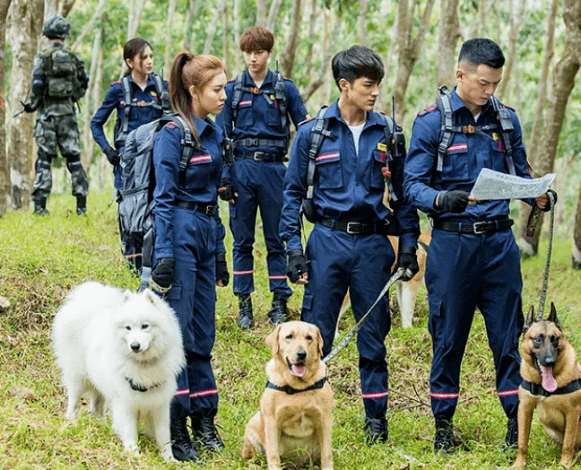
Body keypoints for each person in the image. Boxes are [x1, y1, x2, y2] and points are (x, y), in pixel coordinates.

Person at [404, 38, 557, 454]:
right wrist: (441, 199)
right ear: (461, 75)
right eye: (484, 83)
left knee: (507, 338)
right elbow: (411, 185)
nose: (490, 91)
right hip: (452, 245)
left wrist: (538, 196)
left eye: (496, 83)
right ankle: (443, 427)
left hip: (499, 245)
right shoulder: (432, 122)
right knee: (448, 337)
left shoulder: (506, 121)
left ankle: (514, 424)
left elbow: (521, 172)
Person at [279, 45, 420, 444]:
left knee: (373, 337)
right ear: (344, 85)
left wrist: (407, 246)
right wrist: (293, 248)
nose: (374, 92)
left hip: (374, 246)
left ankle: (376, 423)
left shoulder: (389, 133)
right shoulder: (312, 133)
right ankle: (302, 418)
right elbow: (291, 194)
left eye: (378, 85)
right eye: (366, 85)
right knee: (312, 336)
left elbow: (404, 196)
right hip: (326, 243)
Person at [147, 52, 229, 463]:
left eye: (226, 87)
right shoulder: (172, 135)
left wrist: (219, 252)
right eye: (217, 89)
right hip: (177, 232)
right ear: (194, 90)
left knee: (202, 332)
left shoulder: (214, 134)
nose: (224, 95)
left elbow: (214, 198)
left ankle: (205, 420)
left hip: (205, 230)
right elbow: (162, 199)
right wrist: (163, 253)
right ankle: (175, 425)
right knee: (177, 335)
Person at [216, 26, 309, 329]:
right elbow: (221, 135)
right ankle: (244, 304)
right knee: (242, 240)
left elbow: (305, 131)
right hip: (241, 168)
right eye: (248, 52)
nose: (253, 58)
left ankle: (279, 302)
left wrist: (300, 172)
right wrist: (225, 177)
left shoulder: (285, 89)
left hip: (274, 171)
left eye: (259, 52)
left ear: (270, 53)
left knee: (277, 238)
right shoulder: (232, 90)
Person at [91, 38, 169, 271]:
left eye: (151, 57)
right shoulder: (118, 89)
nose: (149, 62)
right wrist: (108, 151)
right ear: (130, 62)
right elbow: (96, 124)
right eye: (143, 58)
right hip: (128, 166)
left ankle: (155, 266)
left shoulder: (161, 87)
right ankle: (133, 268)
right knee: (129, 215)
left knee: (157, 212)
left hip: (156, 163)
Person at [23, 15, 89, 216]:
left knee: (44, 159)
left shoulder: (42, 57)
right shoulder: (74, 57)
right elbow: (83, 83)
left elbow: (37, 85)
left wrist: (32, 105)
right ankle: (81, 207)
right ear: (64, 34)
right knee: (74, 159)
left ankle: (40, 207)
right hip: (68, 114)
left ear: (47, 34)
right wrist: (71, 98)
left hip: (48, 115)